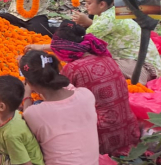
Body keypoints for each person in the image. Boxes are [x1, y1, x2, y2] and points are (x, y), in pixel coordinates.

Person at [26, 21, 140, 156]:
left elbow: (53, 98)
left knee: (42, 108)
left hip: (100, 138)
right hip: (129, 132)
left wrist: (29, 89)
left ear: (63, 51)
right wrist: (41, 48)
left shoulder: (73, 69)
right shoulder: (106, 58)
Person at [18, 50, 101, 165]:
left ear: (30, 83)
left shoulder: (36, 113)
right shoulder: (86, 95)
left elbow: (28, 112)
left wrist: (27, 95)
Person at [72, 0, 161, 83]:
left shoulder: (109, 19)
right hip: (130, 61)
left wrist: (56, 46)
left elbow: (81, 42)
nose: (86, 5)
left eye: (89, 3)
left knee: (86, 70)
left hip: (143, 66)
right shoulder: (109, 13)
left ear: (102, 4)